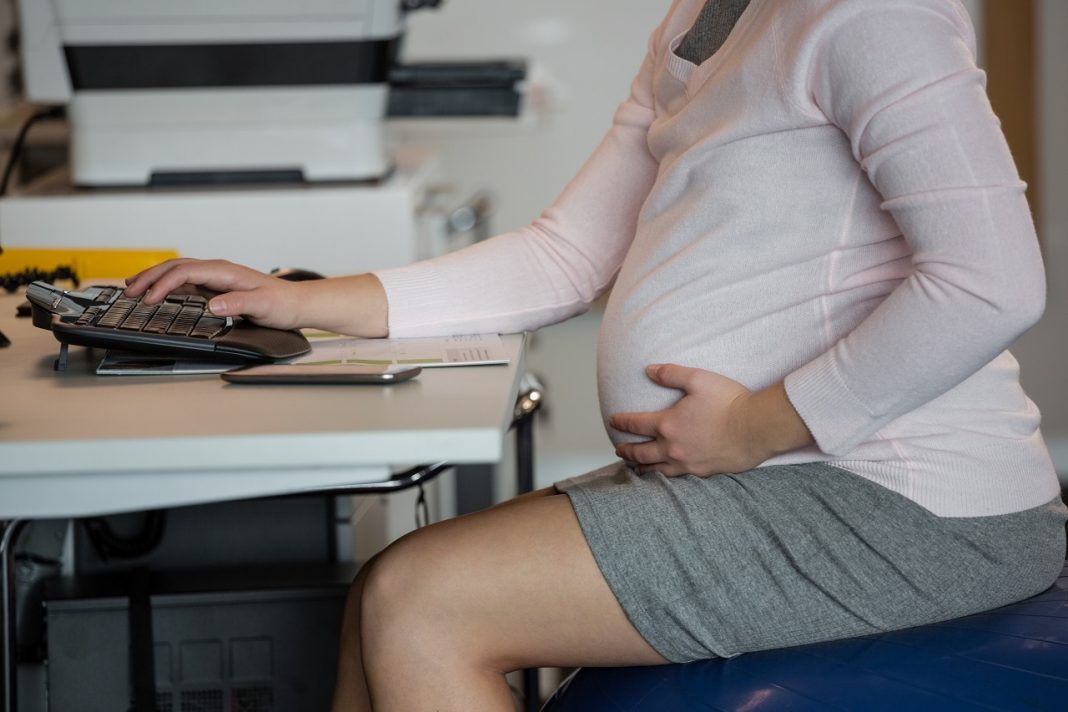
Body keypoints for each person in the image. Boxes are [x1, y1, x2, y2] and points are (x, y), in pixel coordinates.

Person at [124, 0, 1067, 710]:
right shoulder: (704, 19)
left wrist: (756, 425)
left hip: (904, 503)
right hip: (787, 474)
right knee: (384, 583)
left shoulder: (872, 12)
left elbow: (993, 279)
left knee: (425, 601)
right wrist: (298, 302)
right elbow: (568, 254)